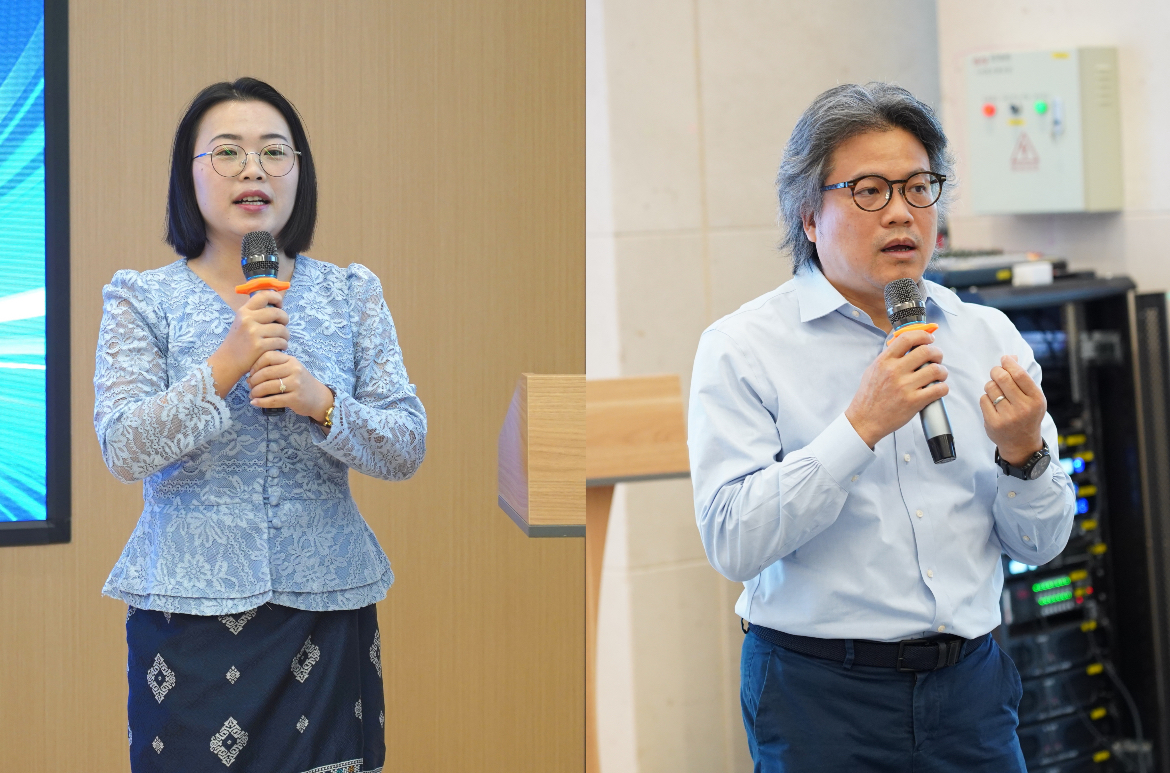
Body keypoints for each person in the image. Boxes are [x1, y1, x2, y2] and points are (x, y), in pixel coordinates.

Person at [688, 82, 1076, 772]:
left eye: (919, 188)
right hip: (820, 696)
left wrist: (1023, 456)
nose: (901, 211)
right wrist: (859, 427)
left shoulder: (987, 335)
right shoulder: (743, 346)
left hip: (972, 690)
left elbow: (1041, 544)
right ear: (809, 216)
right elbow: (732, 542)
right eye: (869, 190)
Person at [94, 77, 426, 773]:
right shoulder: (141, 297)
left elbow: (405, 445)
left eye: (275, 152)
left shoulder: (351, 293)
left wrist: (322, 401)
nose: (254, 170)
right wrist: (225, 364)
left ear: (299, 171)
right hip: (188, 622)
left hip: (324, 614)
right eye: (227, 152)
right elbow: (123, 446)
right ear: (189, 174)